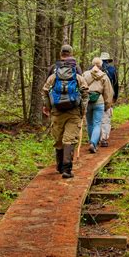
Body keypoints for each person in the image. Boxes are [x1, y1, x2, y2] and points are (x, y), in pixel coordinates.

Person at [42, 45, 89, 178]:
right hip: (74, 111)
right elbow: (85, 92)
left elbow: (45, 90)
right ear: (71, 54)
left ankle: (59, 166)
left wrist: (47, 106)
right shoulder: (77, 70)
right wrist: (83, 110)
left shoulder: (53, 69)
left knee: (58, 138)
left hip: (57, 111)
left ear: (60, 53)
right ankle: (67, 170)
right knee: (69, 138)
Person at [82, 57, 114, 153]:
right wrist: (107, 105)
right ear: (101, 65)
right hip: (99, 101)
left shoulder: (85, 74)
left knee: (89, 123)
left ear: (92, 64)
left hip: (87, 101)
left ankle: (92, 141)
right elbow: (108, 92)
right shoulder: (104, 76)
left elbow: (81, 88)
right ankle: (93, 143)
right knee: (97, 123)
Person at [98, 52, 119, 147]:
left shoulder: (92, 69)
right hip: (108, 96)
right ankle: (104, 139)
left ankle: (94, 138)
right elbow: (115, 84)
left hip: (95, 96)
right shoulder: (112, 69)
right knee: (106, 117)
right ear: (108, 60)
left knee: (95, 118)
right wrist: (115, 97)